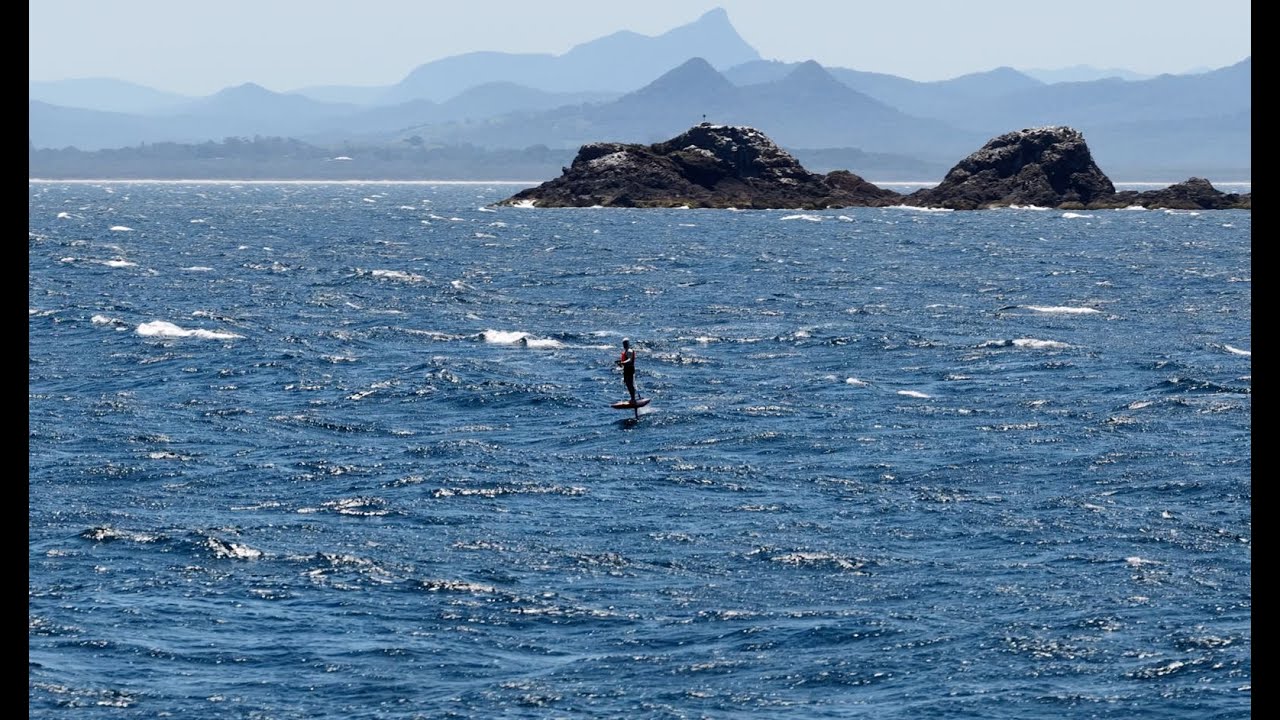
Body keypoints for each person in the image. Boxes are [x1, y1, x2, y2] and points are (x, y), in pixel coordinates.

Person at [615, 338, 638, 404]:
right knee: (628, 384)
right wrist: (620, 363)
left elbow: (629, 360)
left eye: (626, 343)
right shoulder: (625, 352)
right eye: (623, 343)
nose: (624, 345)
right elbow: (623, 364)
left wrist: (622, 362)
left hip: (630, 369)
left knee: (630, 384)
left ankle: (633, 399)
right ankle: (632, 398)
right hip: (626, 370)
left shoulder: (629, 351)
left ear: (628, 343)